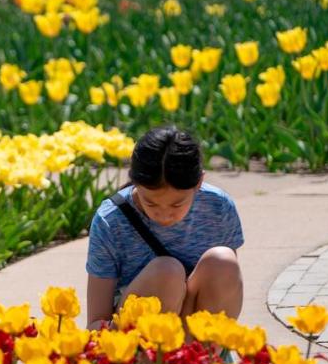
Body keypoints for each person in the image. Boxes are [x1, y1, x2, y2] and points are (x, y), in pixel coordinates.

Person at [85, 126, 244, 330]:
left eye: (176, 204)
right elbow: (96, 322)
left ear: (199, 183)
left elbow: (225, 289)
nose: (164, 215)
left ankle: (200, 357)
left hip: (196, 334)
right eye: (150, 203)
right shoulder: (111, 220)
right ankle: (155, 361)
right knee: (166, 272)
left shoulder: (217, 206)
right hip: (138, 339)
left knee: (223, 261)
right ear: (135, 182)